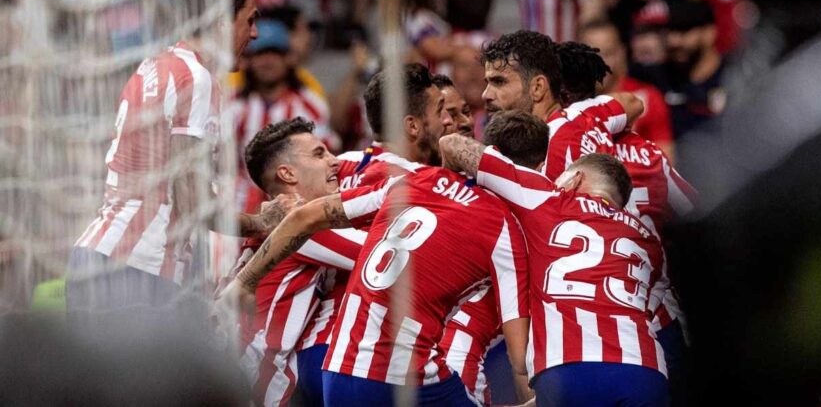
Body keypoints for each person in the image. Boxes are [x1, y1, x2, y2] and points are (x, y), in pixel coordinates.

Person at [220, 135, 534, 407]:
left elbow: (302, 219)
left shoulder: (412, 179)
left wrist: (244, 281)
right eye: (320, 154)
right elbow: (519, 359)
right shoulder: (506, 228)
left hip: (337, 366)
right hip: (381, 368)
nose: (335, 162)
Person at [67, 0, 287, 330]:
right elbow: (192, 201)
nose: (255, 33)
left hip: (97, 257)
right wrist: (260, 222)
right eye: (249, 20)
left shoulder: (155, 65)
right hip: (138, 270)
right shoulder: (198, 80)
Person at [440, 132, 670, 407]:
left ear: (575, 180)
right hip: (645, 371)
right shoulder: (650, 241)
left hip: (566, 371)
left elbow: (452, 144)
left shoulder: (549, 199)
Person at [292, 63, 454, 394]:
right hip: (369, 354)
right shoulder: (418, 185)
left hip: (309, 349)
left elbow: (287, 220)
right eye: (442, 111)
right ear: (411, 126)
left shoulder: (337, 164)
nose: (450, 122)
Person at [556, 41, 699, 406]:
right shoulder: (649, 153)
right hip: (658, 316)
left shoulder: (559, 152)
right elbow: (695, 213)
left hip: (588, 330)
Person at [237, 118, 367, 407]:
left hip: (247, 366)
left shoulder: (291, 221)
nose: (336, 162)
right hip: (256, 373)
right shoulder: (302, 225)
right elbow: (386, 255)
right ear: (287, 173)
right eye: (320, 154)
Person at [438, 110, 550, 406]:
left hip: (400, 355)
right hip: (459, 360)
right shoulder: (520, 228)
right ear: (541, 166)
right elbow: (520, 360)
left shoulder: (442, 194)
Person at [480, 30, 643, 179]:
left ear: (537, 87)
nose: (486, 95)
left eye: (499, 82)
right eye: (487, 83)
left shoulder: (558, 145)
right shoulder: (584, 117)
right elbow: (633, 103)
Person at [230, 19, 339, 214]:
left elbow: (322, 159)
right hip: (239, 201)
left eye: (275, 53)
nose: (268, 61)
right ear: (249, 60)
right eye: (261, 54)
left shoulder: (310, 104)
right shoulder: (232, 105)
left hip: (299, 199)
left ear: (289, 58)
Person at [628, 0, 725, 140]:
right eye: (669, 32)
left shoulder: (732, 79)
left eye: (684, 31)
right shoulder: (653, 77)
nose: (673, 41)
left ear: (709, 33)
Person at [579, 19, 675, 160]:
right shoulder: (564, 103)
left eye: (607, 53)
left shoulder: (647, 99)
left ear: (621, 53)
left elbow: (666, 164)